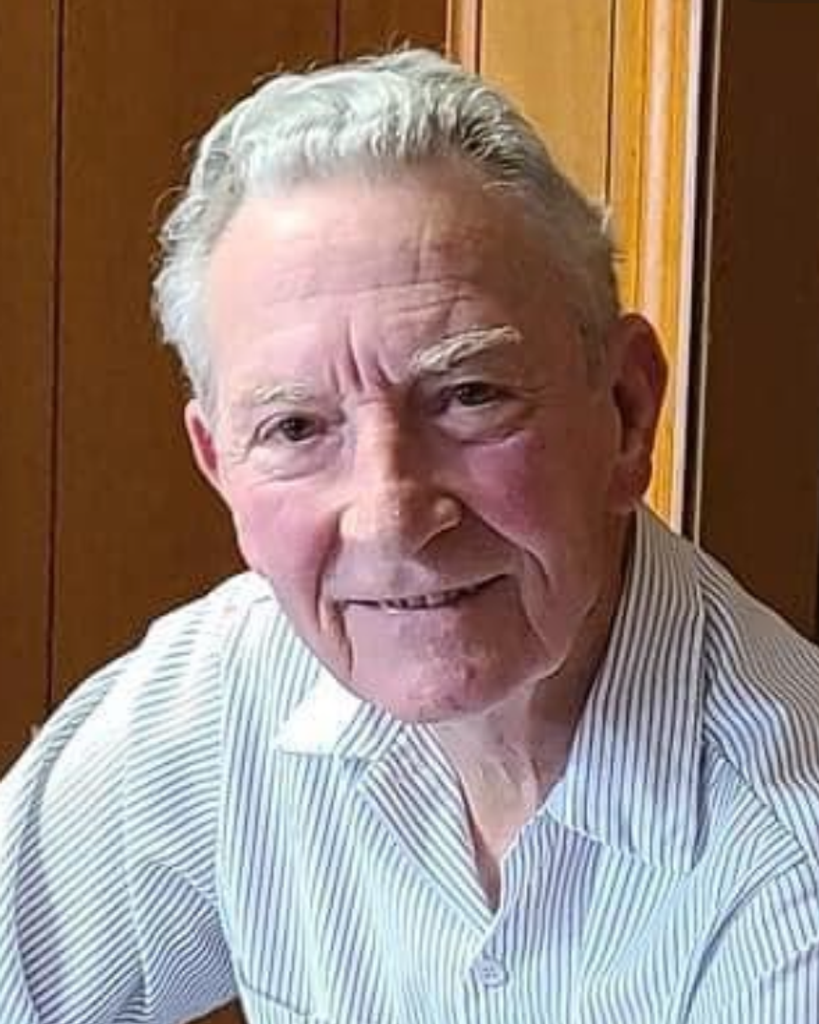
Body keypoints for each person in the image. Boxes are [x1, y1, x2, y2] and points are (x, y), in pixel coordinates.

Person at [1, 48, 818, 1024]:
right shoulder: (231, 689)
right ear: (219, 466)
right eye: (295, 428)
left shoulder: (787, 866)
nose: (389, 513)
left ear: (626, 410)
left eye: (469, 395)